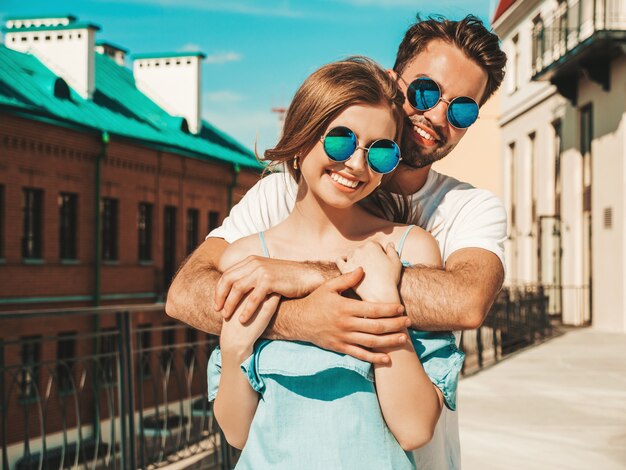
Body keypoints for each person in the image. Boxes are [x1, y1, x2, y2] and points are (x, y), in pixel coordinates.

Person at [166, 14, 507, 469]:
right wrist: (303, 318)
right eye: (425, 92)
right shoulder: (278, 194)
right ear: (393, 80)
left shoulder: (466, 209)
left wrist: (297, 275)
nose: (437, 116)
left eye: (462, 109)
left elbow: (466, 301)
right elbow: (186, 293)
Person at [207, 56, 464, 469]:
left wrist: (383, 301)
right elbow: (237, 431)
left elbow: (415, 428)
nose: (357, 165)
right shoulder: (248, 259)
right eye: (341, 140)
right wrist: (234, 343)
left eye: (381, 153)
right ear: (303, 134)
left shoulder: (410, 250)